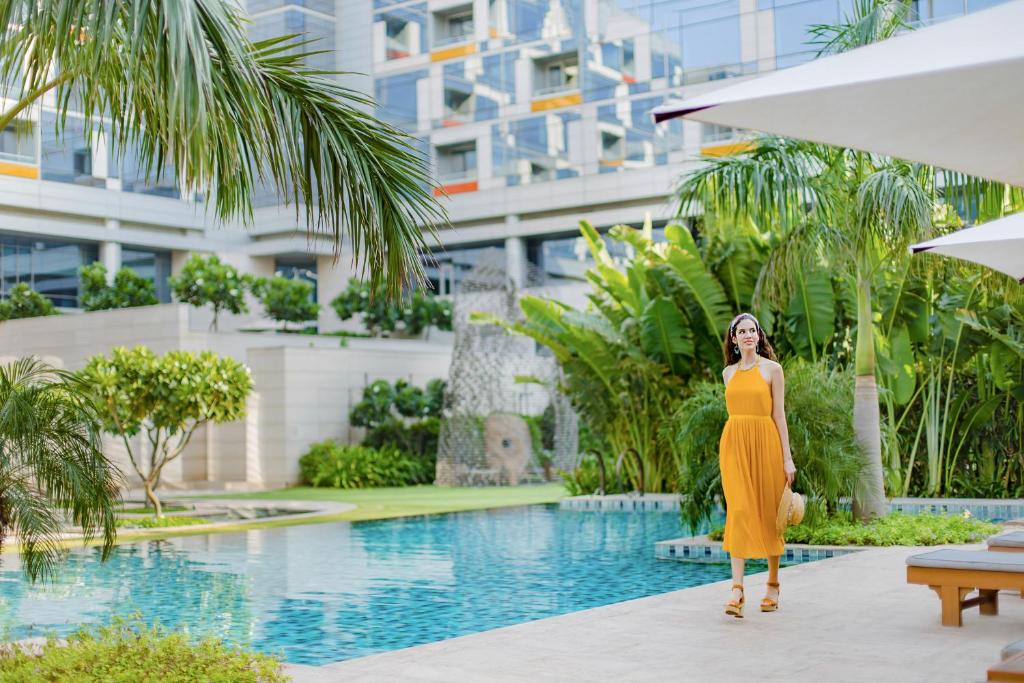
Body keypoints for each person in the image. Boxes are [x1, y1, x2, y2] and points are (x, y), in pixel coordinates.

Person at [719, 313, 796, 618]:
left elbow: (780, 416)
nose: (749, 335)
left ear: (759, 336)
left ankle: (773, 584)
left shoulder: (772, 370)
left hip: (767, 444)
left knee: (768, 513)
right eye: (742, 331)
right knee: (738, 511)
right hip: (735, 446)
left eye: (753, 330)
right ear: (734, 339)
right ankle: (737, 591)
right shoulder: (728, 373)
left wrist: (787, 458)